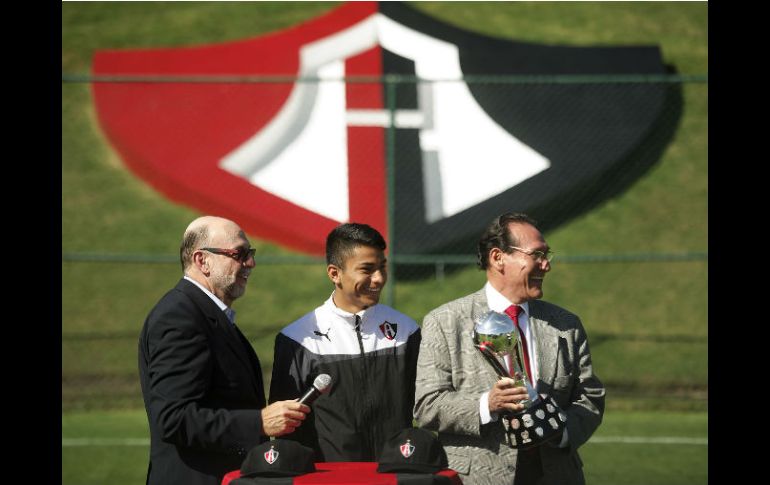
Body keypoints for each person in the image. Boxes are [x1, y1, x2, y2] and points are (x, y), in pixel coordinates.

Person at [414, 212, 605, 485]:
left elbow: (589, 395)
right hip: (477, 478)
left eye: (547, 255)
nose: (546, 265)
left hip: (557, 474)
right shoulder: (445, 322)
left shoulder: (566, 324)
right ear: (497, 257)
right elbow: (427, 406)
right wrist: (486, 405)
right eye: (537, 254)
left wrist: (561, 432)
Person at [138, 215, 310, 485]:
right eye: (239, 254)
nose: (250, 263)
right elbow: (173, 418)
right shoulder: (180, 317)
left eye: (250, 253)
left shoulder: (204, 314)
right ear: (201, 260)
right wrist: (259, 423)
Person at [268, 222, 421, 462]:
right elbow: (287, 433)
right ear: (334, 273)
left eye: (382, 267)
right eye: (367, 269)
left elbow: (425, 408)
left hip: (396, 473)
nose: (379, 278)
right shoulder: (297, 339)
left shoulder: (407, 331)